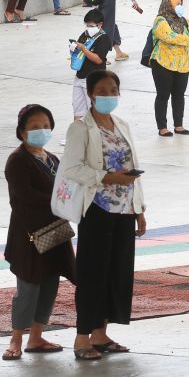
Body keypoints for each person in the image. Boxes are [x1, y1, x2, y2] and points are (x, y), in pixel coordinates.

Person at [61, 70, 146, 361]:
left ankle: (101, 334)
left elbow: (134, 166)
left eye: (113, 90)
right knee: (92, 273)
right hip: (96, 210)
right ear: (91, 94)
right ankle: (82, 338)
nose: (109, 96)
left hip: (124, 210)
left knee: (116, 274)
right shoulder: (81, 129)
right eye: (103, 91)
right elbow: (72, 169)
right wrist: (106, 178)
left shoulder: (122, 125)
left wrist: (139, 210)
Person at [1, 103, 76, 362]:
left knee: (50, 281)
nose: (41, 130)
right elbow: (25, 196)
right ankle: (16, 338)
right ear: (22, 132)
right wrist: (58, 200)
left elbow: (66, 188)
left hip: (54, 230)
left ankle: (36, 336)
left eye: (45, 126)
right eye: (34, 127)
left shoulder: (53, 159)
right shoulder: (17, 160)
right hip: (28, 234)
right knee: (29, 285)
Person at [149, 0, 189, 137]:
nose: (180, 6)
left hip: (182, 65)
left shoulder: (183, 21)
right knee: (163, 96)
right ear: (168, 5)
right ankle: (162, 127)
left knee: (179, 95)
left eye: (181, 3)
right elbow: (168, 36)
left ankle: (178, 125)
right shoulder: (160, 20)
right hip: (163, 63)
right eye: (177, 3)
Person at [70, 10, 112, 121]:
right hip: (79, 76)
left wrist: (83, 49)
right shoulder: (84, 35)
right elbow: (79, 53)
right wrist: (73, 48)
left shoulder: (104, 38)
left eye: (91, 25)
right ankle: (78, 134)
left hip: (94, 79)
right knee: (78, 110)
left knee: (95, 112)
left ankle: (96, 136)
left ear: (100, 24)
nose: (88, 28)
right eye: (87, 25)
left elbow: (98, 60)